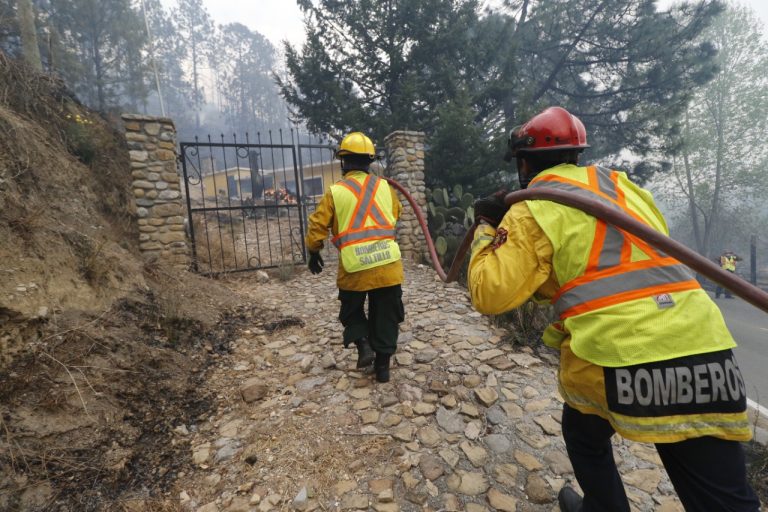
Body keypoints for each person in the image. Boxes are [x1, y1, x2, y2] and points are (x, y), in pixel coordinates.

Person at [468, 106, 760, 512]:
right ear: (576, 154)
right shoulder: (624, 188)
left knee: (584, 435)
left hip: (618, 353)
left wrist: (486, 224)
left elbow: (490, 293)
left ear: (523, 162)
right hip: (706, 347)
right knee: (725, 499)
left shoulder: (533, 206)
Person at [304, 132, 405, 383]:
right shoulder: (385, 186)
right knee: (387, 315)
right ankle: (383, 367)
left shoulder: (335, 192)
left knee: (351, 310)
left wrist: (313, 250)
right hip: (387, 266)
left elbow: (317, 225)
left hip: (354, 268)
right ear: (370, 161)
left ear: (343, 161)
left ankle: (363, 345)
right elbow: (396, 213)